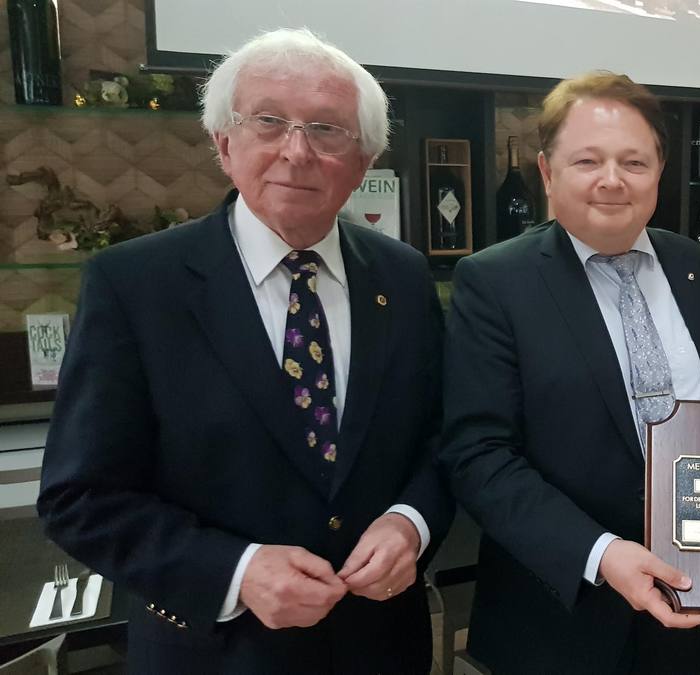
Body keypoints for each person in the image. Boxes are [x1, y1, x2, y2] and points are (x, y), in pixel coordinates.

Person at [37, 28, 452, 674]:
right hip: (216, 654)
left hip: (380, 648)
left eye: (326, 129)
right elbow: (80, 497)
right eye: (268, 122)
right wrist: (235, 570)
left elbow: (443, 437)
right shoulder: (135, 284)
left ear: (364, 160)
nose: (296, 151)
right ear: (224, 143)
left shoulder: (403, 276)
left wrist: (411, 521)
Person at [439, 71, 700, 675]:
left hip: (682, 601)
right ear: (548, 173)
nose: (612, 180)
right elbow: (478, 455)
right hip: (554, 617)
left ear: (660, 170)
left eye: (634, 162)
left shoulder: (698, 269)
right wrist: (600, 553)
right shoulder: (495, 282)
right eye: (587, 160)